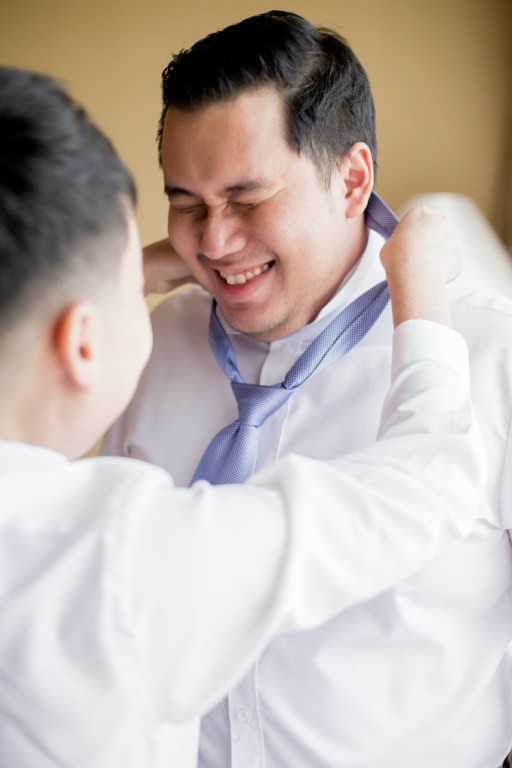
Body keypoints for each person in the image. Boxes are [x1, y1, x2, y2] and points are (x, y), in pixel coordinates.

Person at [0, 65, 487, 768]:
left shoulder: (492, 349)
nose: (213, 244)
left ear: (353, 181)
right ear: (81, 339)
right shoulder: (123, 540)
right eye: (186, 206)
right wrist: (418, 282)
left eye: (246, 199)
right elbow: (430, 478)